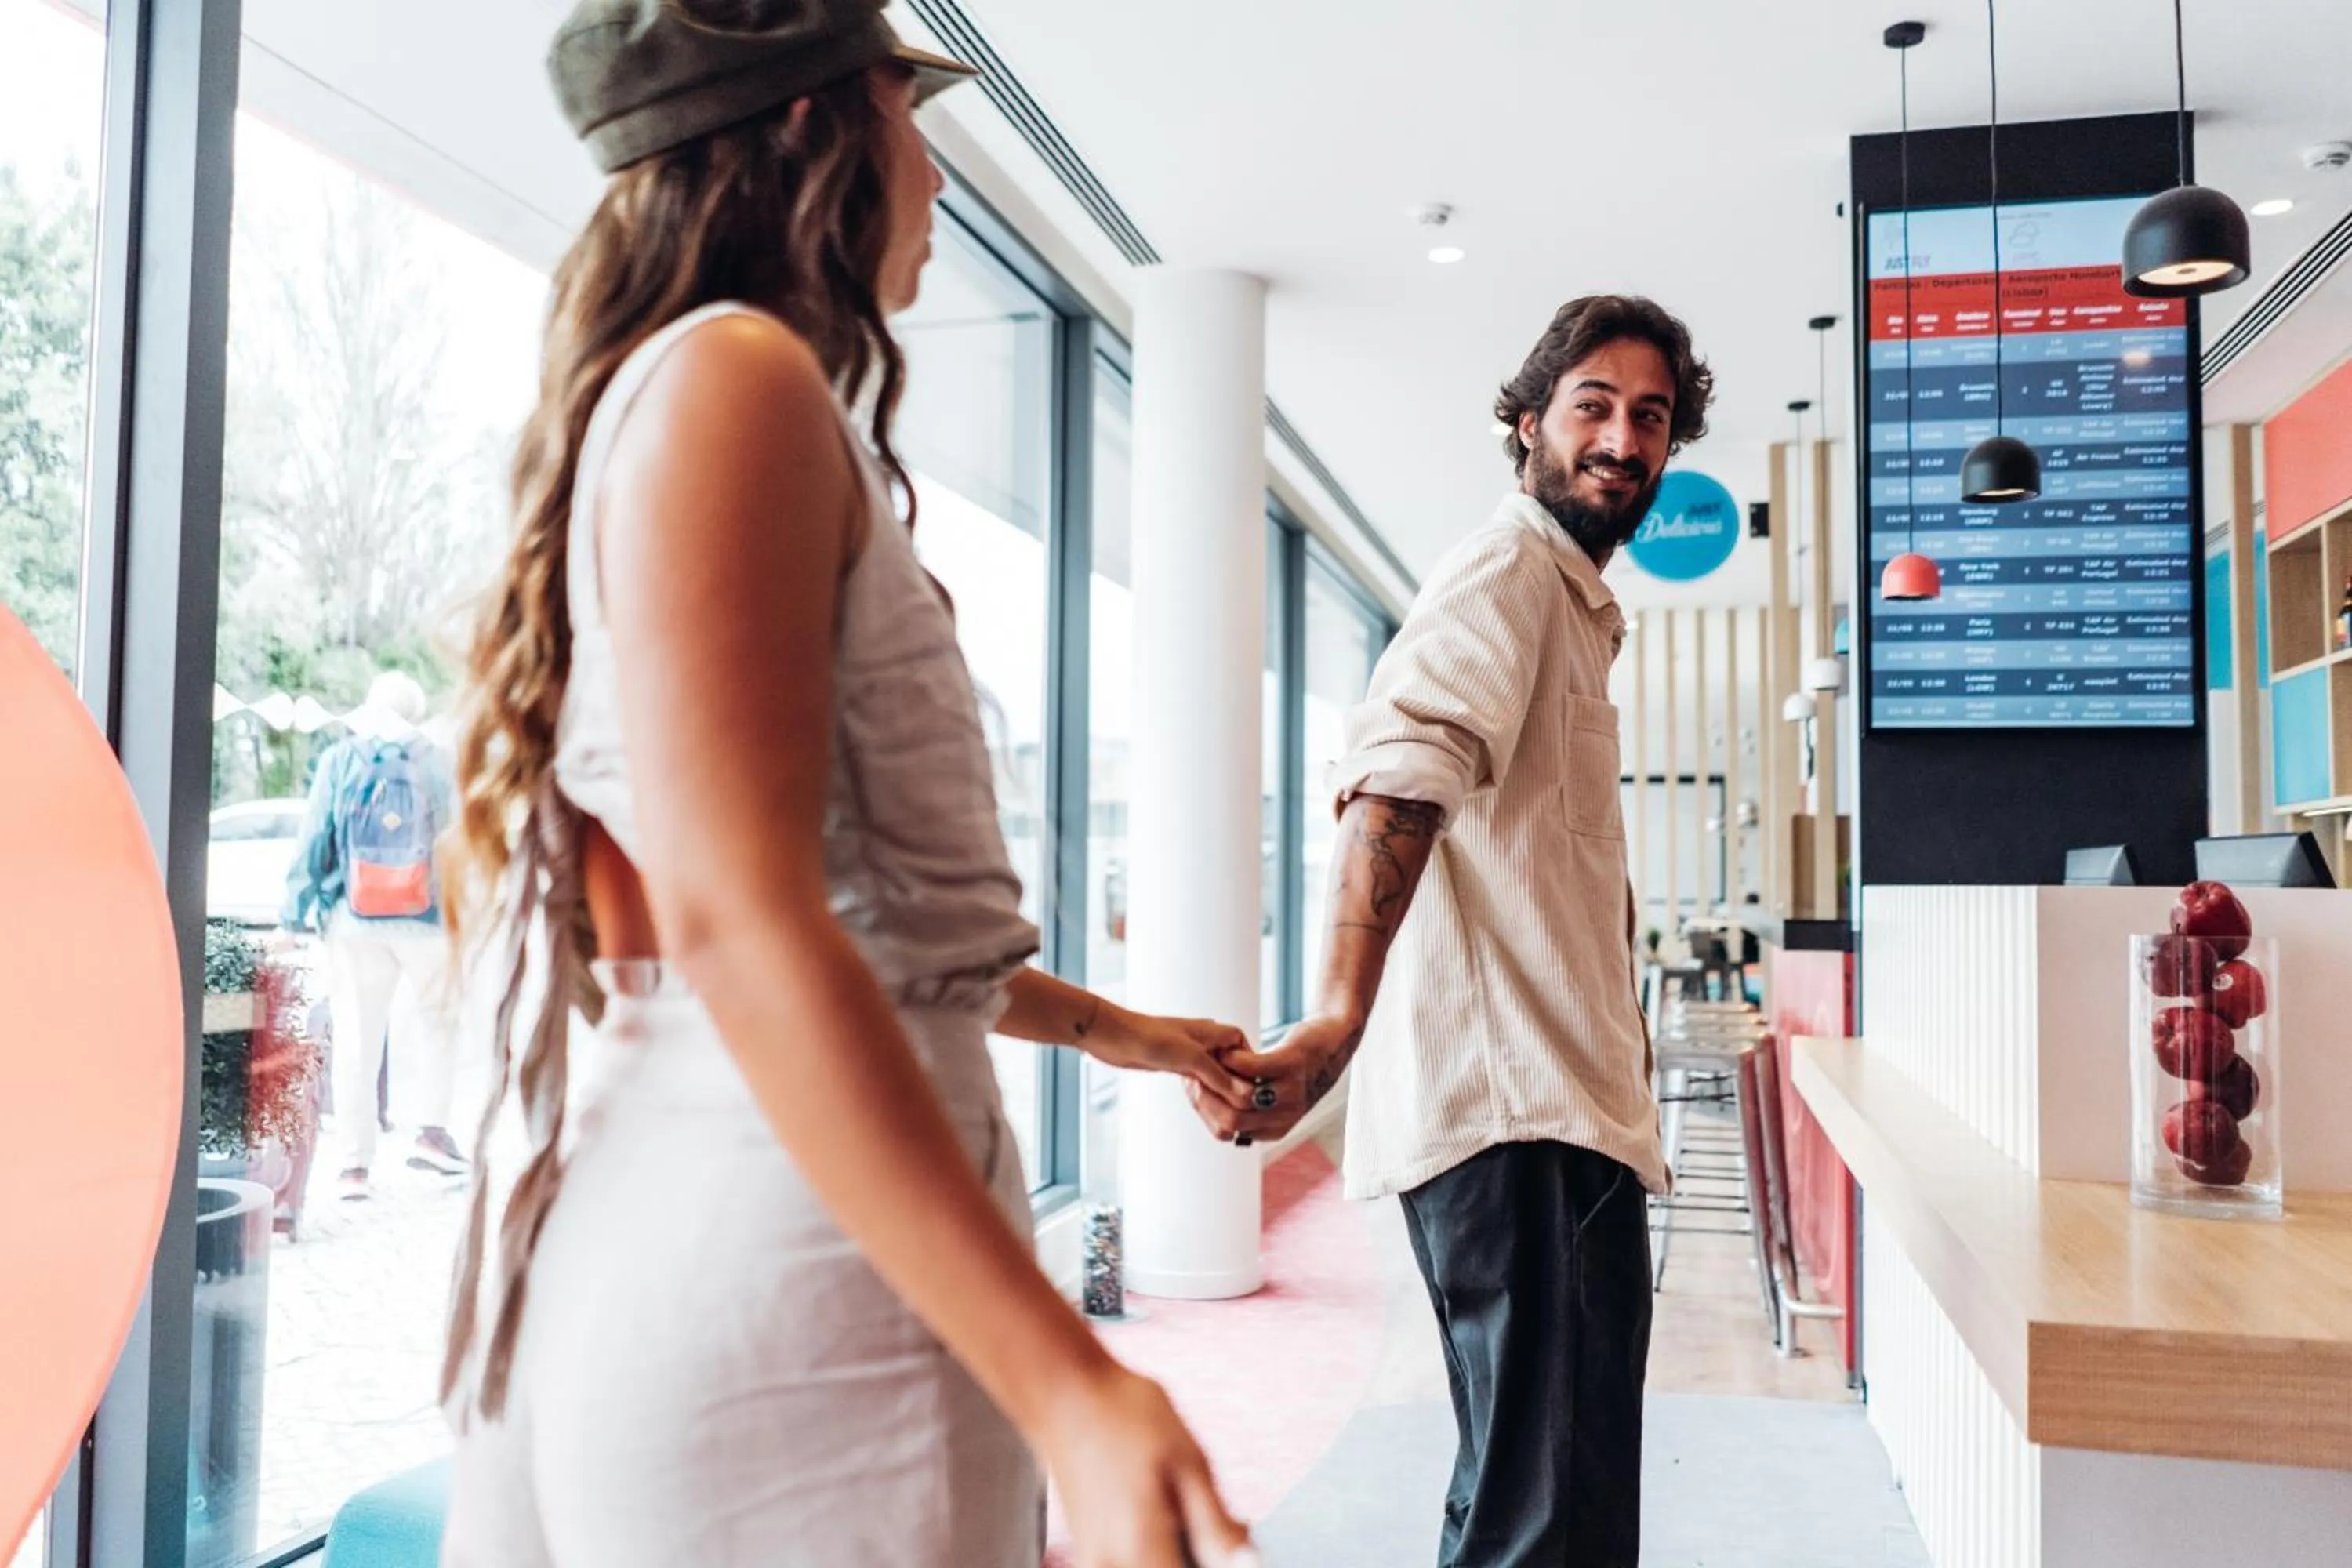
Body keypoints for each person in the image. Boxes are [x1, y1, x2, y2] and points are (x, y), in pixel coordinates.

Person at [433, 5, 1258, 1566]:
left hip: (752, 1221)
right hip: (808, 1272)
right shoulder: (735, 380)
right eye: (909, 111)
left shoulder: (695, 396)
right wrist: (1070, 1382)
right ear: (817, 131)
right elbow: (743, 930)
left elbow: (805, 923)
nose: (937, 175)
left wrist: (1128, 1036)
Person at [1197, 296, 1717, 1565]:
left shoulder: (1571, 603)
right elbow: (1397, 775)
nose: (1623, 438)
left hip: (1550, 1112)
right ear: (1530, 421)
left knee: (1523, 1503)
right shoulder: (1510, 572)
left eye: (1650, 417)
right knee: (1550, 1522)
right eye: (1593, 405)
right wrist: (1334, 1017)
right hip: (1521, 1114)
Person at [281, 668, 466, 1200]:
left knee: (357, 1040)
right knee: (441, 1025)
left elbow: (314, 836)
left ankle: (354, 1168)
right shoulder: (438, 762)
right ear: (415, 710)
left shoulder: (343, 759)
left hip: (353, 920)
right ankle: (432, 1134)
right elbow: (460, 842)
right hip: (427, 919)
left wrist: (294, 916)